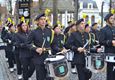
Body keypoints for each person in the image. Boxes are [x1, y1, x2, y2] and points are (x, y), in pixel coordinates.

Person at [26, 13, 54, 80]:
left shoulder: (49, 31)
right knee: (40, 77)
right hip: (38, 58)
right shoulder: (34, 32)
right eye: (41, 19)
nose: (43, 21)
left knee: (49, 77)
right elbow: (27, 43)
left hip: (48, 57)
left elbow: (52, 43)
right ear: (38, 21)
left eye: (44, 19)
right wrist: (35, 49)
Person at [99, 13, 115, 80]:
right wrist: (110, 42)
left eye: (113, 18)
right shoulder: (103, 30)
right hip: (109, 53)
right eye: (111, 18)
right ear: (107, 19)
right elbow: (101, 41)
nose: (113, 20)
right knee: (110, 72)